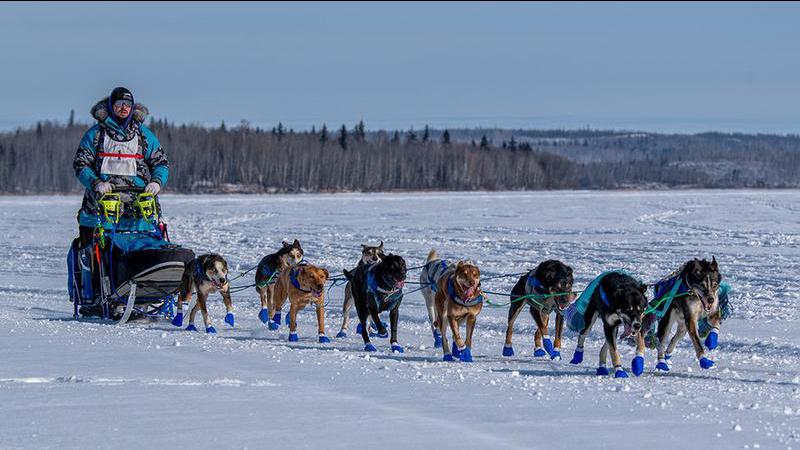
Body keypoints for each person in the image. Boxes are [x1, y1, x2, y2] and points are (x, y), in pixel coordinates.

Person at [73, 87, 169, 246]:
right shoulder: (96, 134)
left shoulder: (144, 135)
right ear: (111, 106)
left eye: (128, 104)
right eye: (119, 103)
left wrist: (156, 182)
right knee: (94, 254)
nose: (124, 107)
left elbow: (161, 163)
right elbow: (81, 164)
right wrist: (96, 183)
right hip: (100, 211)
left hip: (140, 214)